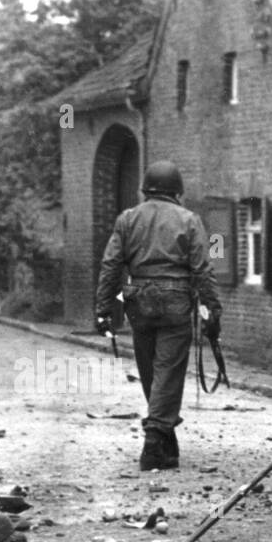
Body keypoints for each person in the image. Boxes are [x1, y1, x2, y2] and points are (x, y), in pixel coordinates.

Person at [95, 160, 220, 471]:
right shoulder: (189, 219)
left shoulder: (128, 219)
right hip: (176, 300)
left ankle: (165, 440)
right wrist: (212, 311)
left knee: (150, 368)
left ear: (146, 189)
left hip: (138, 300)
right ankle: (154, 440)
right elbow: (203, 270)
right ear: (176, 191)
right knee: (167, 370)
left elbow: (111, 265)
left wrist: (102, 309)